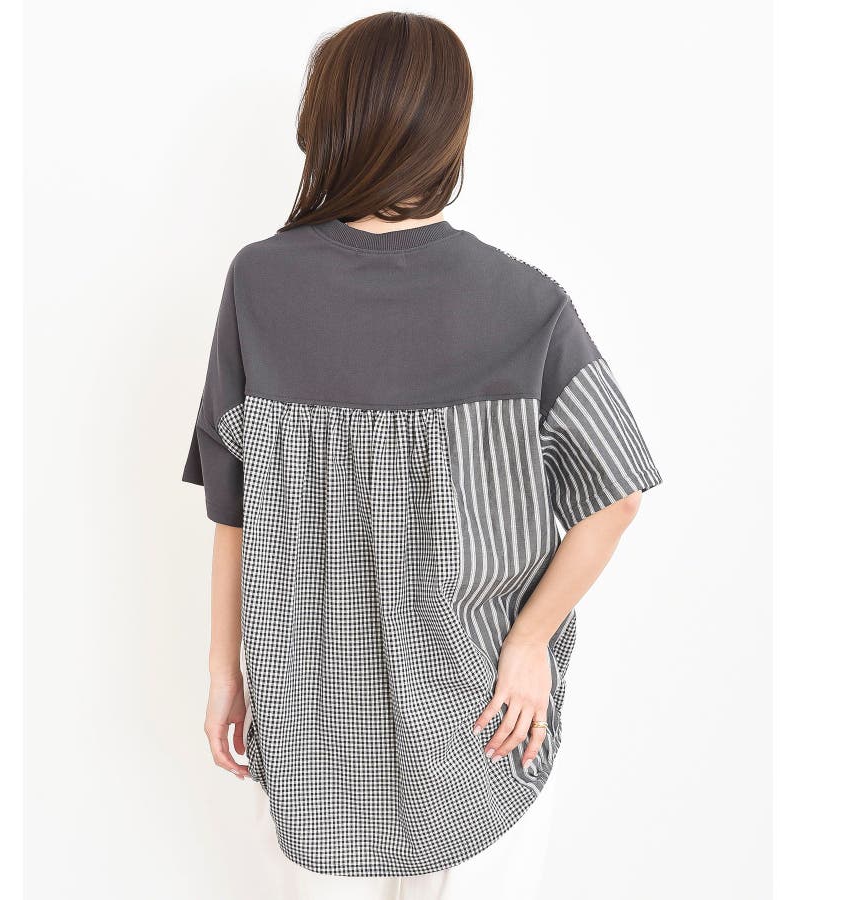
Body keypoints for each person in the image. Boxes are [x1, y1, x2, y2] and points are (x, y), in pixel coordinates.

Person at [182, 10, 662, 895]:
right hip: (485, 726)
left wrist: (224, 673)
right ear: (451, 132)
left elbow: (230, 506)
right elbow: (618, 494)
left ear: (327, 122)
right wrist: (528, 642)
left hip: (311, 733)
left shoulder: (259, 283)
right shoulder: (525, 302)